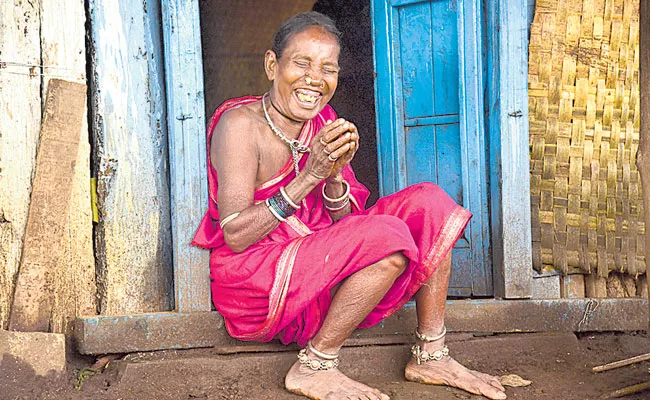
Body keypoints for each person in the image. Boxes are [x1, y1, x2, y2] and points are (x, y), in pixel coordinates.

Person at [192, 11, 507, 400]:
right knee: (388, 237)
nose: (314, 79)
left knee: (430, 204)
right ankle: (316, 365)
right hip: (258, 278)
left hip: (317, 261)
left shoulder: (324, 120)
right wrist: (308, 176)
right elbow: (236, 234)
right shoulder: (241, 125)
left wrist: (335, 177)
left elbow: (347, 224)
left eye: (327, 68)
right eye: (301, 64)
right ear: (272, 65)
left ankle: (431, 354)